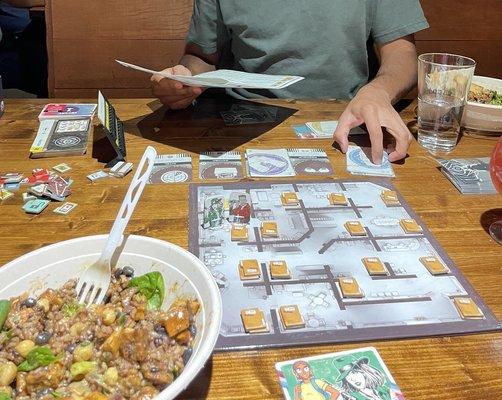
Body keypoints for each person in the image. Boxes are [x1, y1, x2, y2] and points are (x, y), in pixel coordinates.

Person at [151, 1, 428, 164]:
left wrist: (378, 92)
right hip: (243, 127)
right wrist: (183, 79)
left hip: (347, 122)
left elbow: (401, 52)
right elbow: (200, 57)